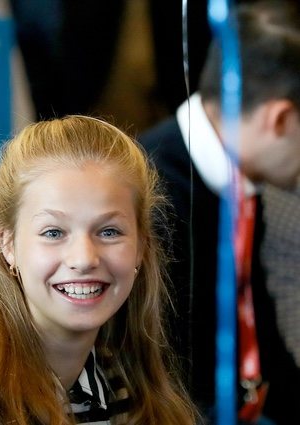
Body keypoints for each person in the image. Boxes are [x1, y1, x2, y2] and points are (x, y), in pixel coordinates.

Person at [0, 116, 199, 424]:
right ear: (8, 245)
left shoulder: (123, 386)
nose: (83, 259)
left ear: (141, 246)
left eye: (109, 231)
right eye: (53, 232)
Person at [138, 1, 300, 423]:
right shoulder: (149, 197)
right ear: (280, 119)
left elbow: (259, 324)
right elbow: (161, 380)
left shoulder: (237, 175)